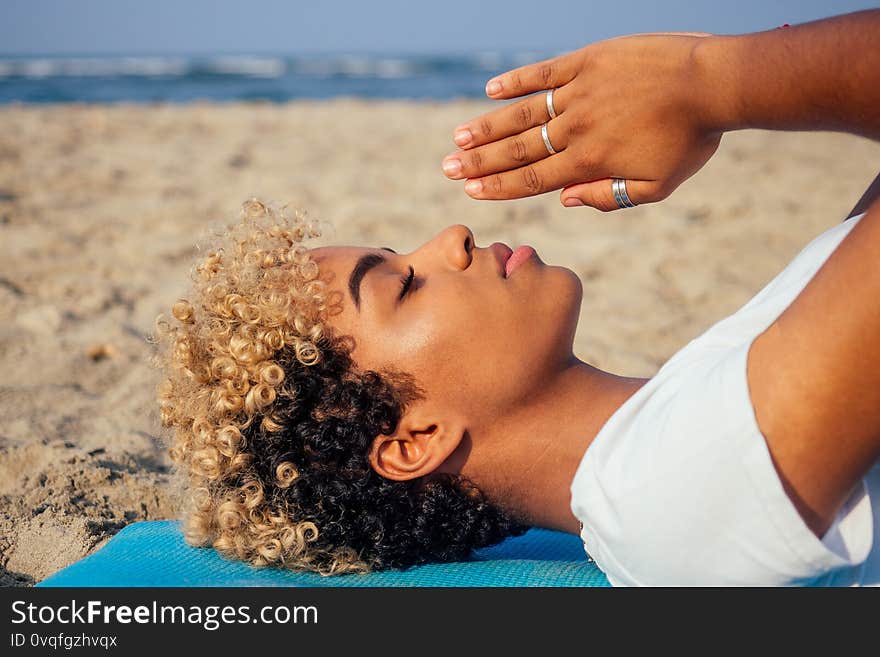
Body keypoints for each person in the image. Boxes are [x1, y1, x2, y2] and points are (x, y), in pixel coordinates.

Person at [154, 10, 880, 585]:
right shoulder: (675, 486)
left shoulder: (695, 415)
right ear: (414, 440)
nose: (452, 235)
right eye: (402, 284)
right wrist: (706, 84)